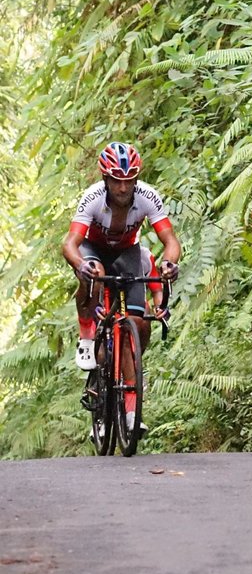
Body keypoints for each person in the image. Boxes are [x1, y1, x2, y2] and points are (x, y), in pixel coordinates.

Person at [62, 141, 181, 431]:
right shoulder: (92, 198)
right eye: (117, 180)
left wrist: (169, 263)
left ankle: (131, 413)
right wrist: (81, 265)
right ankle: (88, 337)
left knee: (136, 324)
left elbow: (170, 241)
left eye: (129, 181)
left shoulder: (147, 197)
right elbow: (70, 244)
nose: (123, 188)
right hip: (93, 249)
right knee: (94, 271)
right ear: (106, 179)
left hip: (128, 251)